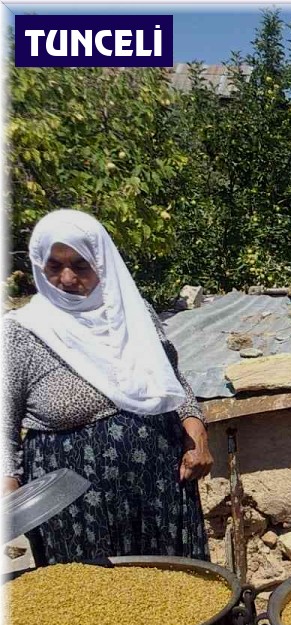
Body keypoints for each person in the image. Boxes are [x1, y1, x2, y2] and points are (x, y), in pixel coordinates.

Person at [3, 210, 212, 565]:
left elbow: (171, 378)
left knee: (171, 592)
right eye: (54, 266)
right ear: (39, 264)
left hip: (159, 487)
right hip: (73, 505)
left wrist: (196, 428)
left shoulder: (133, 312)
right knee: (92, 604)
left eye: (81, 266)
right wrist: (11, 497)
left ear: (102, 262)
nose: (67, 278)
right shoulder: (22, 332)